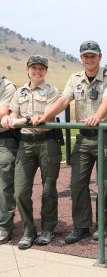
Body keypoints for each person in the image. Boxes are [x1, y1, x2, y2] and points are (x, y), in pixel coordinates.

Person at [36, 41, 107, 244]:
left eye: (93, 55)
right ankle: (82, 226)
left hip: (104, 136)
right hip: (83, 138)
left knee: (106, 184)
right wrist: (45, 116)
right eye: (85, 56)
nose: (89, 59)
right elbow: (64, 101)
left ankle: (102, 225)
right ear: (81, 58)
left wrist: (97, 117)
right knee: (77, 184)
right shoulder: (75, 79)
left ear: (100, 57)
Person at [1, 55, 61, 249]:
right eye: (34, 68)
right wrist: (10, 120)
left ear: (46, 71)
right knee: (20, 192)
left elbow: (47, 115)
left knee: (48, 189)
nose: (37, 71)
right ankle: (29, 231)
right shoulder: (19, 93)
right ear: (27, 69)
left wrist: (23, 119)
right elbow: (12, 115)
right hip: (25, 144)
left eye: (41, 68)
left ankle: (48, 229)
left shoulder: (52, 90)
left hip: (47, 143)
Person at [0, 75, 18, 245]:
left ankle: (4, 226)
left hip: (4, 140)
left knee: (4, 185)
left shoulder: (7, 86)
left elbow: (3, 113)